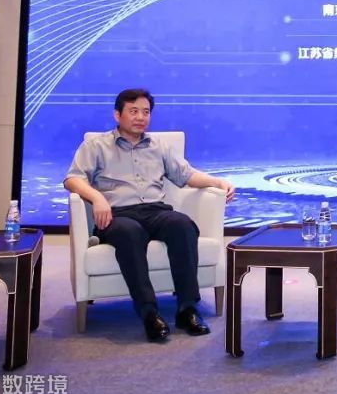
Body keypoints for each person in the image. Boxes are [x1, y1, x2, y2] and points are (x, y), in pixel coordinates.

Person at [63, 88, 235, 342]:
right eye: (133, 111)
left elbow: (186, 175)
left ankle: (187, 309)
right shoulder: (96, 146)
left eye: (145, 112)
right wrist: (97, 198)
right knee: (129, 233)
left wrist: (218, 182)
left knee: (182, 225)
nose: (140, 117)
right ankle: (149, 313)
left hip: (155, 210)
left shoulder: (158, 147)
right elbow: (72, 179)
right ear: (117, 115)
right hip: (118, 215)